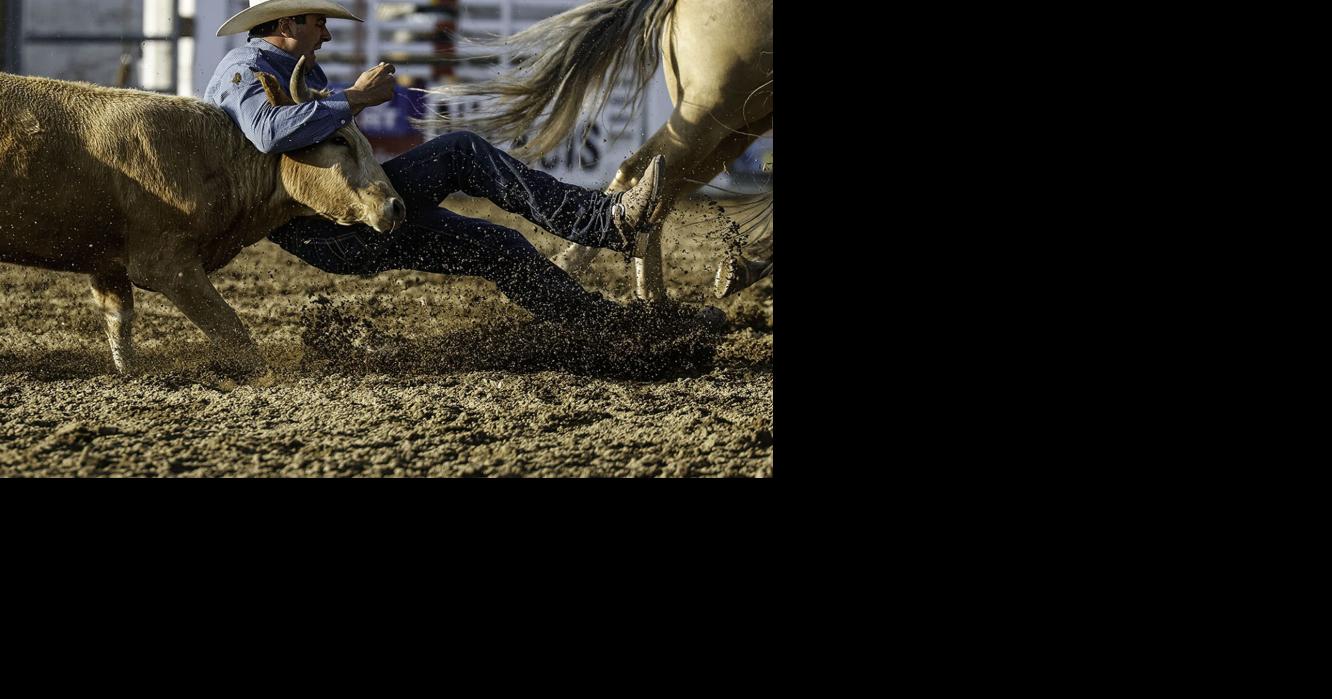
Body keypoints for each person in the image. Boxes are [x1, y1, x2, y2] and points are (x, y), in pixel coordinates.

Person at [205, 0, 671, 323]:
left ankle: (605, 326)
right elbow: (267, 134)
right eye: (317, 22)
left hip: (341, 221)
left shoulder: (286, 70)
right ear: (286, 24)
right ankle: (604, 222)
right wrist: (355, 98)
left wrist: (353, 101)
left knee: (499, 248)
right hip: (329, 227)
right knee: (461, 151)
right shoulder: (246, 69)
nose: (326, 33)